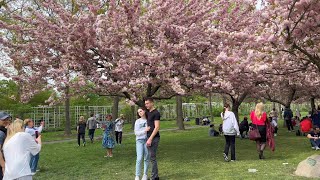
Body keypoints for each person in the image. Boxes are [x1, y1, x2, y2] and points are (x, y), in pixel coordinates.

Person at [145, 97, 160, 180]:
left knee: (152, 157)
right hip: (148, 137)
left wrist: (150, 138)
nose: (146, 105)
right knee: (150, 157)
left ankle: (154, 177)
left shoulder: (156, 113)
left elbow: (157, 127)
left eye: (147, 103)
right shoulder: (148, 112)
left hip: (154, 138)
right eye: (145, 103)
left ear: (152, 103)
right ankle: (155, 176)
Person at [134, 108, 150, 180]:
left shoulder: (149, 120)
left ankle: (145, 175)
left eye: (141, 111)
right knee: (139, 158)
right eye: (138, 112)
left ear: (144, 111)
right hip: (139, 141)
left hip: (147, 140)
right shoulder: (137, 121)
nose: (139, 113)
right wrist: (144, 131)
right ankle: (137, 175)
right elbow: (136, 133)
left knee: (146, 158)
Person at [0, 112, 11, 179]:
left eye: (7, 119)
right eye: (3, 120)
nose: (6, 121)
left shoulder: (3, 130)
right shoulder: (1, 133)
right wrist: (3, 166)